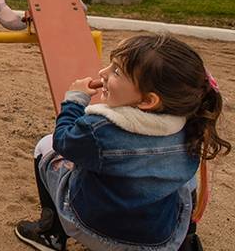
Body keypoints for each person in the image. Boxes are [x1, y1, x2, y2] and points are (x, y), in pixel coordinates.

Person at [15, 34, 231, 251]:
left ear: (148, 100)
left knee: (47, 145)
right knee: (185, 181)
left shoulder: (99, 129)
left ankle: (51, 233)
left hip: (97, 233)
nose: (103, 73)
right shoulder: (191, 127)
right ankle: (187, 241)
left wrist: (74, 100)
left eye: (116, 71)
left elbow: (63, 141)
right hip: (159, 241)